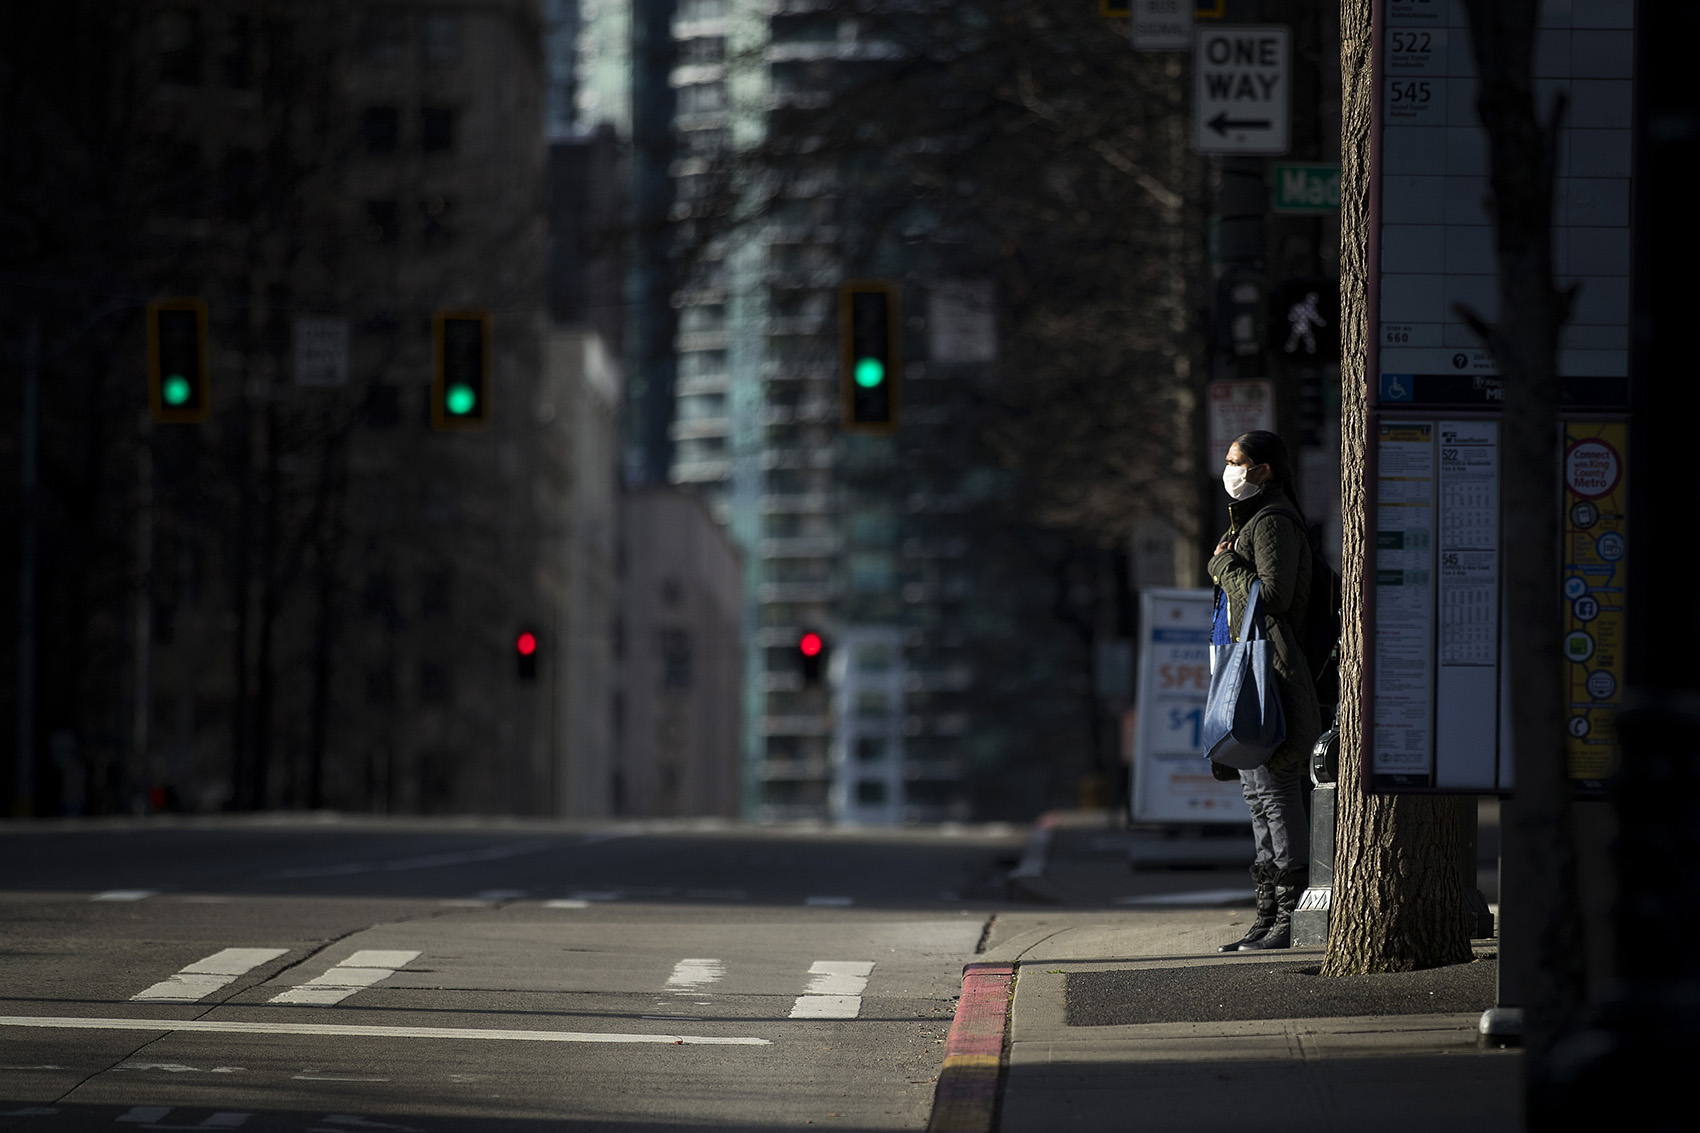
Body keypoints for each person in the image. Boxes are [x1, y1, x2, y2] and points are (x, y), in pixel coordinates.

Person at [1208, 430, 1321, 951]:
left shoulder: (1273, 521)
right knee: (1257, 796)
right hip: (1255, 670)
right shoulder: (1254, 520)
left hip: (1273, 673)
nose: (1229, 469)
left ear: (1265, 470)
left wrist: (1224, 565)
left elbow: (1272, 596)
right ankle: (1268, 912)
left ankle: (1291, 915)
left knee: (1275, 794)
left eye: (1238, 461)